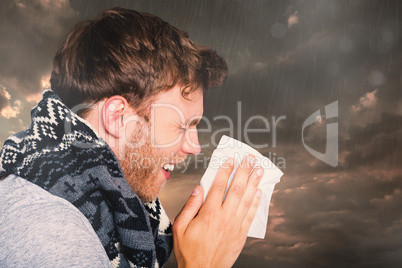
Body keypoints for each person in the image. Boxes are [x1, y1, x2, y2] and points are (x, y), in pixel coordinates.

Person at [0, 7, 264, 268]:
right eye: (184, 126)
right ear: (119, 118)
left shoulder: (92, 214)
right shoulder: (53, 235)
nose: (194, 147)